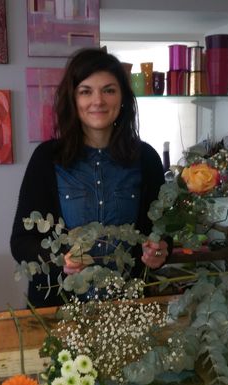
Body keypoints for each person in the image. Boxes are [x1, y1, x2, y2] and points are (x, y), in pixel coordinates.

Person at [10, 47, 169, 308]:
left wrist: (160, 251)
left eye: (108, 90)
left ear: (122, 98)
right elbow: (21, 243)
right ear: (73, 99)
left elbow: (161, 234)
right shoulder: (47, 158)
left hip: (127, 310)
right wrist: (62, 257)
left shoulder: (146, 158)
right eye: (86, 91)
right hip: (58, 310)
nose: (98, 101)